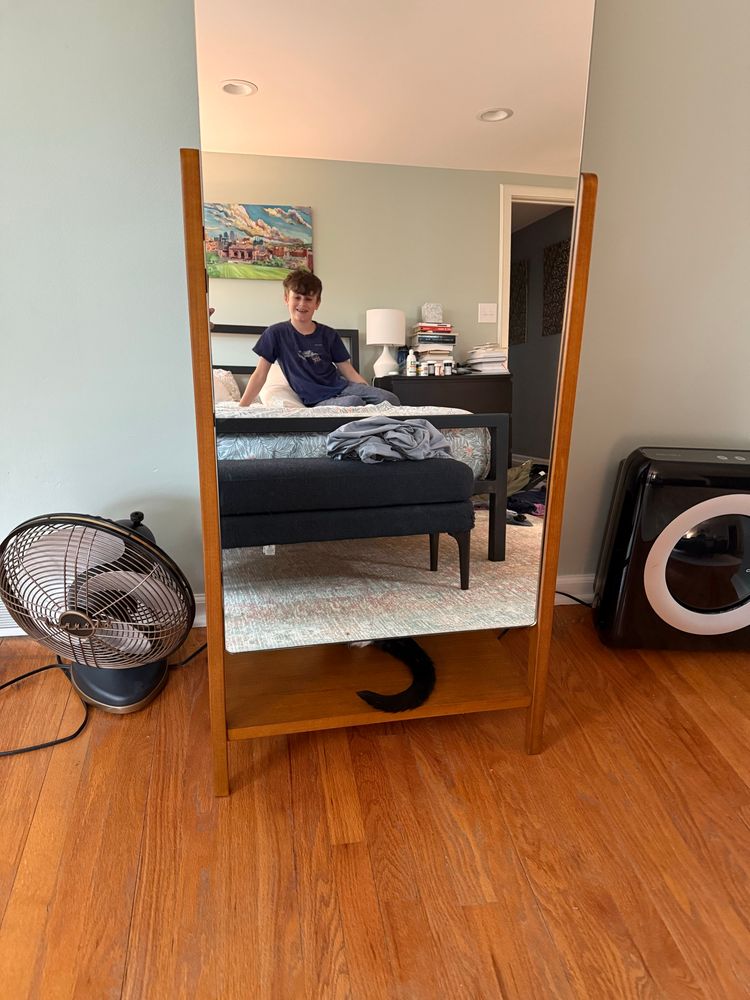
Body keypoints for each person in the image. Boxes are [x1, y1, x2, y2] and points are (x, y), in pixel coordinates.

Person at [238, 270, 401, 407]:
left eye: (308, 299)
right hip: (316, 398)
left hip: (342, 387)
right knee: (354, 403)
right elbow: (260, 375)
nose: (302, 304)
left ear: (317, 303)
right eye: (297, 297)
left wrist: (368, 391)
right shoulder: (275, 333)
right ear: (286, 299)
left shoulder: (329, 334)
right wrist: (242, 407)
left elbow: (348, 371)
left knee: (390, 399)